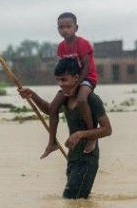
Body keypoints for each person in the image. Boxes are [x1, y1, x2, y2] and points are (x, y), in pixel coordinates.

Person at [18, 58, 112, 199]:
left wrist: (80, 134)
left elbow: (107, 130)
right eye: (58, 80)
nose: (60, 84)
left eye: (64, 80)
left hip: (87, 158)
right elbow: (50, 110)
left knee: (73, 199)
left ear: (76, 78)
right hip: (72, 157)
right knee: (75, 200)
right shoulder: (63, 96)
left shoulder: (90, 99)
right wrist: (33, 95)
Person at [42, 12, 99, 159]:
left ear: (76, 27)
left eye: (68, 26)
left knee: (81, 99)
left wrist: (76, 86)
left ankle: (92, 135)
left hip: (87, 79)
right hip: (70, 82)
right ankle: (52, 142)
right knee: (53, 108)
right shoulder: (61, 47)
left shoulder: (83, 44)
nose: (65, 30)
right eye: (61, 27)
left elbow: (86, 67)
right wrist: (66, 86)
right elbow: (62, 68)